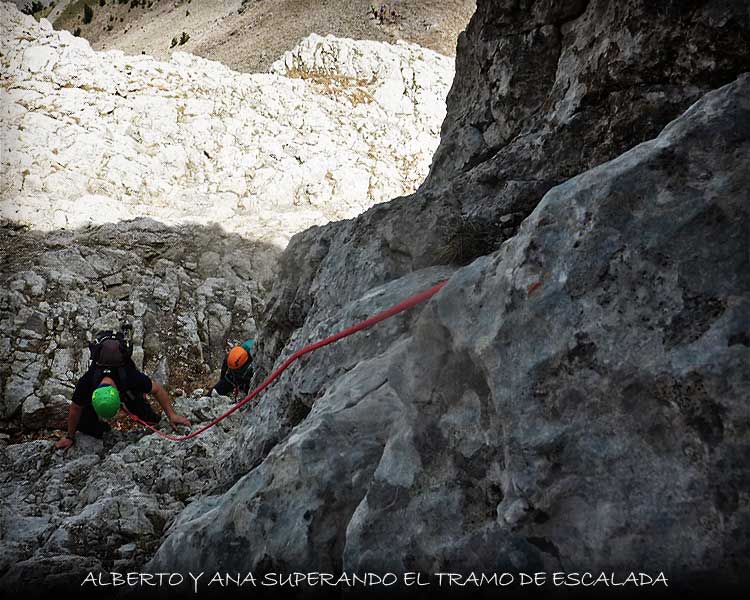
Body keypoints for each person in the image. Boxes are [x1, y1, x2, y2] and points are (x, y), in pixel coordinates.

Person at [55, 329, 191, 450]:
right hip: (110, 389)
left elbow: (157, 390)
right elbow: (75, 408)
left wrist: (172, 416)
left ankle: (152, 421)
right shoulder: (88, 381)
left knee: (141, 409)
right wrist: (70, 437)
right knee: (85, 425)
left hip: (127, 389)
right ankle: (101, 430)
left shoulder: (128, 376)